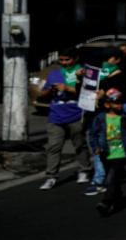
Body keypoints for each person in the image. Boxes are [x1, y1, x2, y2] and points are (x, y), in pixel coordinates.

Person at [37, 48, 92, 189]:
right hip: (56, 115)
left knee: (79, 144)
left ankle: (84, 170)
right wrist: (49, 90)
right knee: (54, 147)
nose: (64, 62)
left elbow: (89, 92)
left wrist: (66, 88)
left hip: (76, 114)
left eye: (67, 59)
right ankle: (51, 176)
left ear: (75, 59)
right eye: (61, 60)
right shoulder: (54, 74)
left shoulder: (83, 72)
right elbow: (41, 94)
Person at [89, 88, 126, 217]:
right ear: (107, 104)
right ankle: (117, 196)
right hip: (106, 153)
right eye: (116, 102)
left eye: (120, 102)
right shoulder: (100, 118)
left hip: (120, 154)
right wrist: (96, 148)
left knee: (112, 178)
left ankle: (105, 203)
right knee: (113, 179)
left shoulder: (124, 118)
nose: (119, 105)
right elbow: (93, 135)